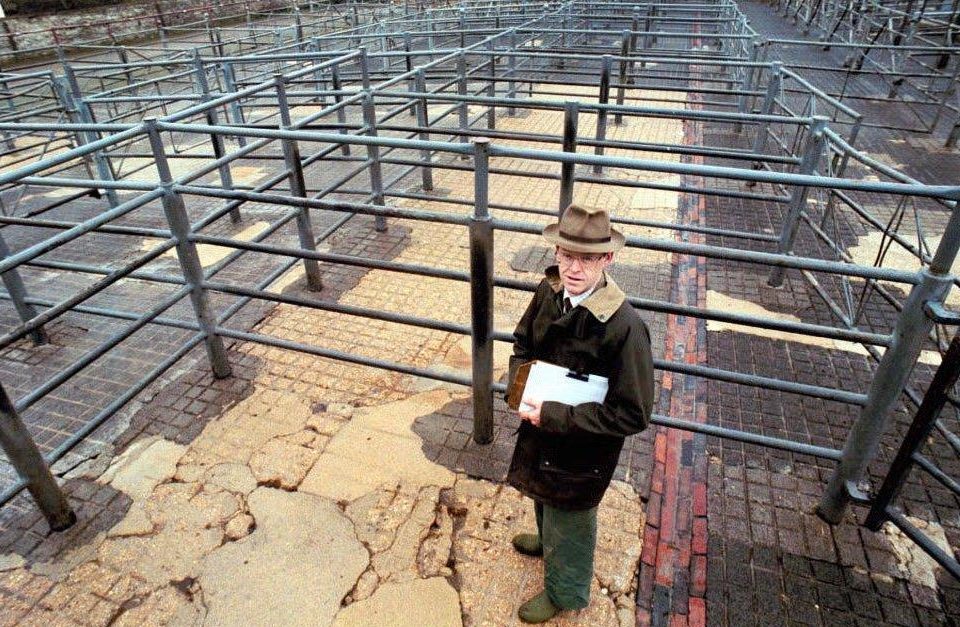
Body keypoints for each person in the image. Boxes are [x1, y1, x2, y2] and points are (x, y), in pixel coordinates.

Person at [506, 203, 655, 623]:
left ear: (608, 259)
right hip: (541, 423)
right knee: (542, 492)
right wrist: (520, 390)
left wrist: (554, 415)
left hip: (582, 448)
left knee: (571, 518)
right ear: (556, 253)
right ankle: (545, 537)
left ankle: (564, 592)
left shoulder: (625, 328)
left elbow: (633, 414)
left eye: (587, 258)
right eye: (567, 255)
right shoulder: (549, 292)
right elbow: (522, 343)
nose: (574, 268)